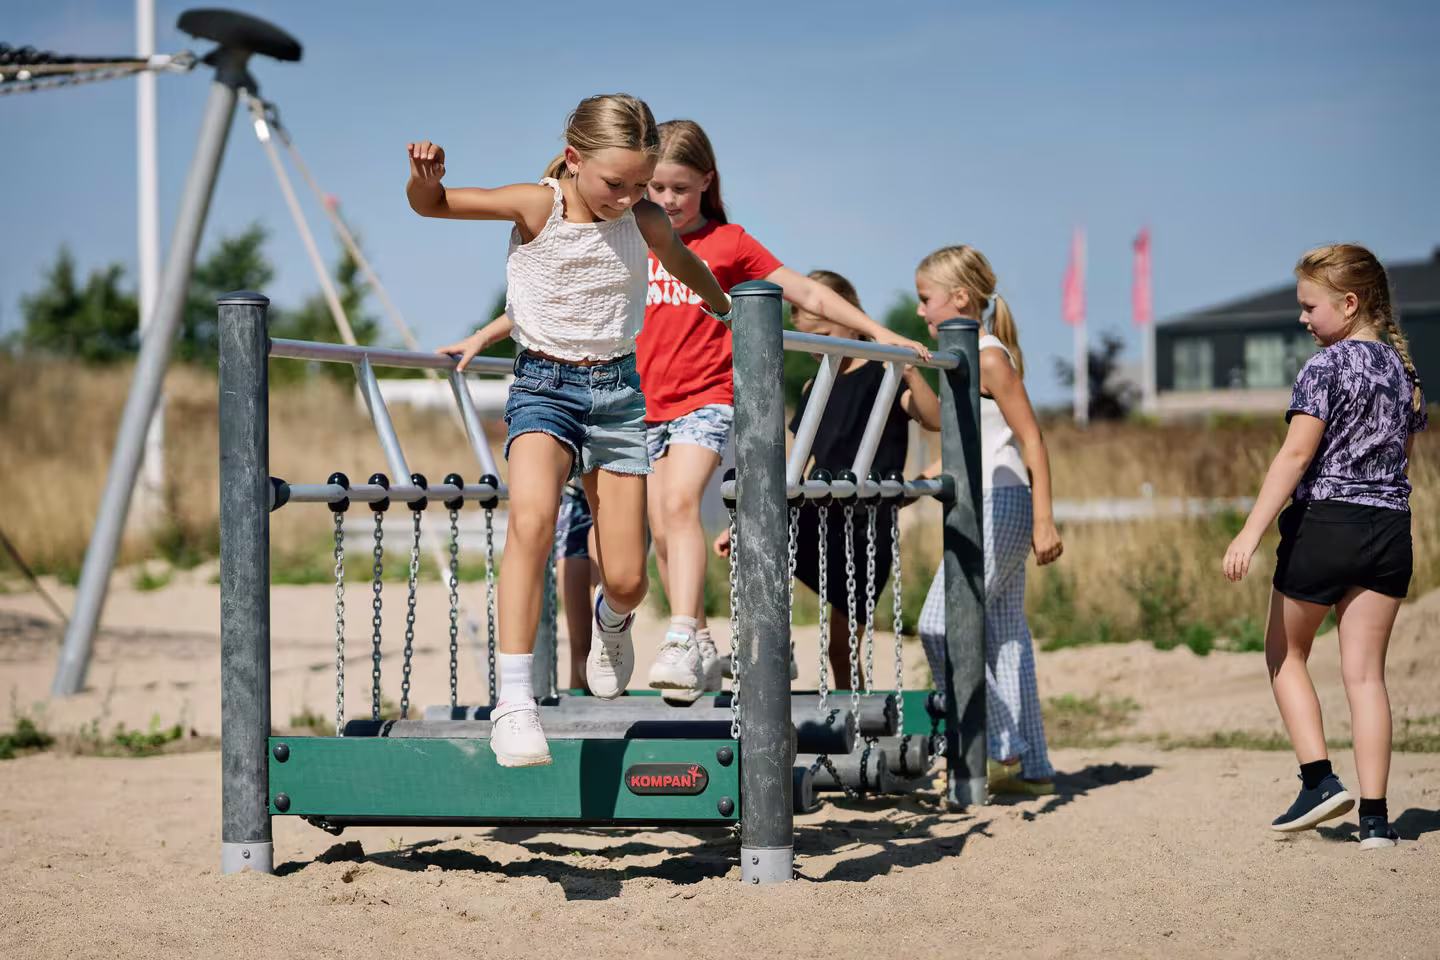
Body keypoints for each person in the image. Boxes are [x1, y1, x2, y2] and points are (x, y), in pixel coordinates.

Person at [471, 119, 930, 702]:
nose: (663, 201)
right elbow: (558, 298)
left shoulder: (728, 243)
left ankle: (684, 634)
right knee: (657, 529)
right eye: (653, 188)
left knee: (679, 502)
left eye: (678, 190)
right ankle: (701, 638)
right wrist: (483, 336)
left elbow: (807, 293)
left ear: (707, 183)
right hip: (637, 404)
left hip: (704, 399)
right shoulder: (626, 228)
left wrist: (879, 334)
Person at [420, 94, 733, 766]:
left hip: (618, 396)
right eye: (613, 183)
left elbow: (677, 259)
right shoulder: (539, 206)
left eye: (638, 185)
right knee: (531, 521)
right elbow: (437, 206)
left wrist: (721, 303)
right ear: (573, 158)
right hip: (542, 390)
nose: (626, 198)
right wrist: (426, 181)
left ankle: (612, 622)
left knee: (626, 578)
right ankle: (513, 703)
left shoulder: (643, 218)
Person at [1223, 243, 1425, 849]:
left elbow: (1295, 455)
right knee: (1367, 679)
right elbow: (1402, 461)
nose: (1304, 319)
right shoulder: (1404, 373)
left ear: (1349, 302)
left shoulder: (1325, 369)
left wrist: (1250, 532)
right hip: (1389, 530)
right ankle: (1375, 823)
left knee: (1285, 655)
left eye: (1310, 307)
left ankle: (1318, 781)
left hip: (1325, 525)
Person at [713, 270, 939, 687]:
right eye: (812, 345)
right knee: (754, 527)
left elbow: (934, 417)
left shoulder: (882, 373)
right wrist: (746, 520)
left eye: (823, 336)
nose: (820, 353)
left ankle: (855, 720)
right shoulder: (815, 384)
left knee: (841, 647)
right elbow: (795, 457)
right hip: (819, 517)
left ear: (849, 319)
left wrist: (906, 368)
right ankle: (769, 648)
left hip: (864, 523)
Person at [912, 245, 1064, 798]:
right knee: (1005, 637)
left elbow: (1031, 439)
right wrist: (909, 368)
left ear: (960, 298)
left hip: (1004, 503)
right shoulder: (963, 354)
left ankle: (1000, 746)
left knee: (938, 622)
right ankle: (1033, 767)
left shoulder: (989, 356)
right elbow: (953, 426)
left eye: (926, 300)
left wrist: (1044, 520)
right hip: (992, 498)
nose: (921, 312)